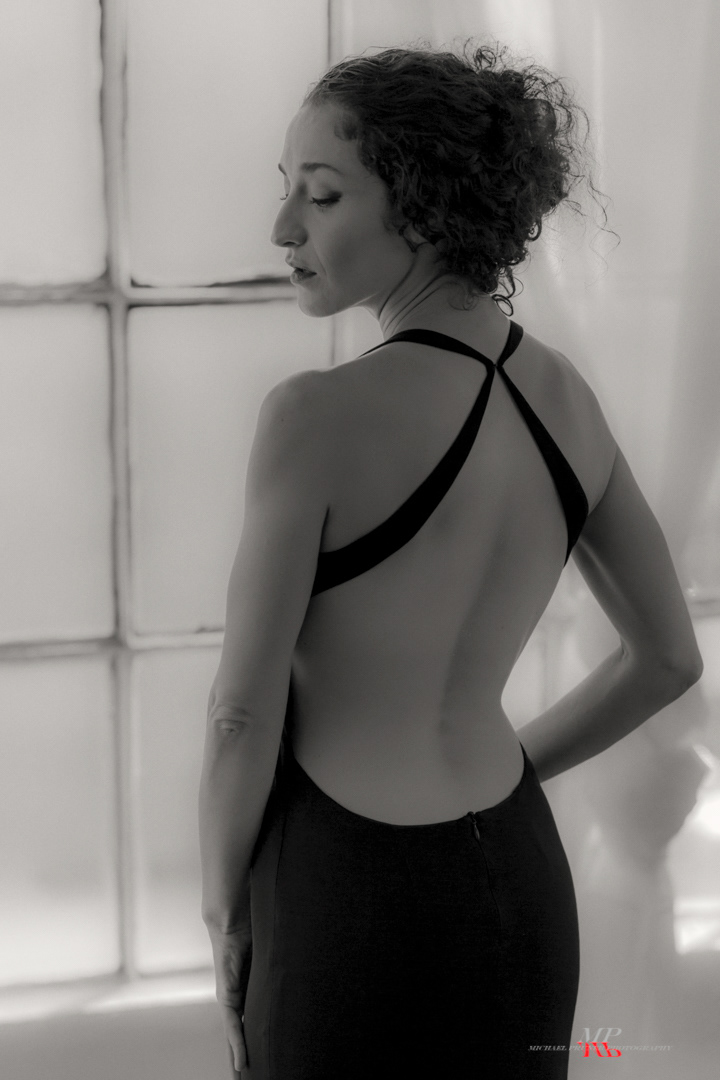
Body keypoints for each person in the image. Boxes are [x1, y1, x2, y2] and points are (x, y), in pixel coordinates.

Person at [198, 41, 703, 1080]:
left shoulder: (313, 417)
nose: (284, 228)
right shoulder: (565, 398)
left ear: (424, 208)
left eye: (321, 195)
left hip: (344, 889)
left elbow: (241, 715)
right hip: (516, 874)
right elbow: (667, 660)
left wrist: (224, 913)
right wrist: (514, 774)